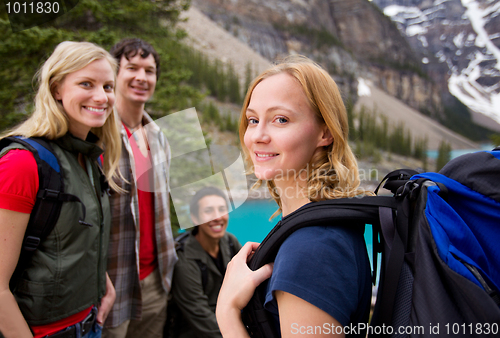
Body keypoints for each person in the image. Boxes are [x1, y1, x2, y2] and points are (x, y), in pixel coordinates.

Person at [216, 56, 372, 337]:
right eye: (253, 120)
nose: (258, 136)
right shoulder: (320, 225)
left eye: (281, 119)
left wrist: (226, 312)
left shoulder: (313, 249)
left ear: (325, 132)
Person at [0, 41, 123, 338]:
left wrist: (102, 286)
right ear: (56, 89)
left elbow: (74, 240)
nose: (101, 96)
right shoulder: (22, 163)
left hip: (89, 322)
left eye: (108, 86)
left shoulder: (90, 157)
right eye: (86, 83)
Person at [102, 38, 177, 338]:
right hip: (111, 285)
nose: (142, 78)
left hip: (157, 282)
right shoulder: (98, 135)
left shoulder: (158, 137)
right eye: (132, 68)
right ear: (115, 74)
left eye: (149, 70)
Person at [169, 186, 242, 338]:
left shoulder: (229, 242)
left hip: (228, 323)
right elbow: (198, 313)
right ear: (195, 218)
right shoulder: (184, 258)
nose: (217, 217)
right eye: (208, 211)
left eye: (222, 209)